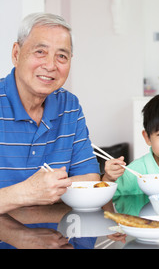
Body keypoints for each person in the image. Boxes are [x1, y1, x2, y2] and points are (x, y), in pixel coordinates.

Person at [0, 13, 100, 214]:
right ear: (16, 54)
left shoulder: (69, 105)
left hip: (58, 237)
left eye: (62, 56)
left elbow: (89, 178)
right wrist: (26, 193)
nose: (50, 65)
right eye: (40, 52)